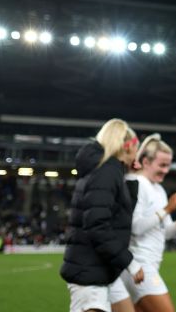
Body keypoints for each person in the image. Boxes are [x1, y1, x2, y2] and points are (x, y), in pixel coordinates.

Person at [109, 134, 176, 312]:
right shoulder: (137, 183)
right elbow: (135, 227)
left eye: (168, 165)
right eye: (162, 165)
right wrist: (168, 208)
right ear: (146, 162)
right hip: (139, 265)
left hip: (147, 266)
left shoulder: (158, 189)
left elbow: (167, 232)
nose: (166, 170)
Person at [60, 118, 145, 312]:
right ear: (127, 147)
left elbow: (120, 217)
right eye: (136, 149)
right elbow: (98, 226)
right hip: (90, 271)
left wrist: (131, 176)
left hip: (95, 269)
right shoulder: (106, 172)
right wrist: (130, 262)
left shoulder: (107, 170)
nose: (137, 155)